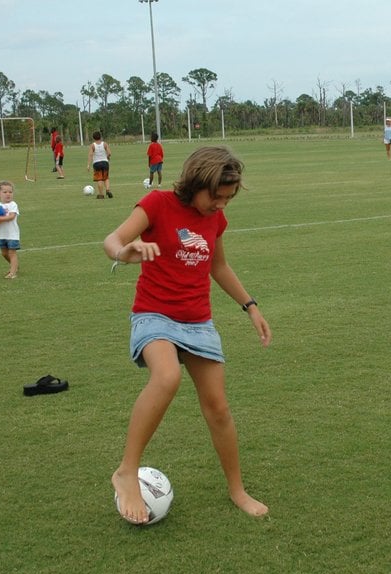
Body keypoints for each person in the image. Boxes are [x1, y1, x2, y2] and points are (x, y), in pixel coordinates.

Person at [103, 145, 271, 525]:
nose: (221, 205)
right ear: (196, 183)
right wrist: (124, 251)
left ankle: (237, 490)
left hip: (198, 321)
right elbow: (111, 240)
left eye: (228, 199)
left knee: (219, 408)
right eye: (216, 197)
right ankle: (126, 470)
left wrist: (251, 306)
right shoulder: (157, 204)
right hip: (154, 314)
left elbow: (219, 266)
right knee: (167, 377)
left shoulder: (216, 220)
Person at [87, 130, 113, 199]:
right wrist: (107, 157)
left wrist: (88, 165)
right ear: (100, 137)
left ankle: (101, 194)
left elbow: (90, 155)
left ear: (93, 138)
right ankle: (107, 190)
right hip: (105, 162)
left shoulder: (92, 145)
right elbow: (109, 153)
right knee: (106, 178)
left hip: (97, 163)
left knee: (99, 179)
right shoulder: (104, 144)